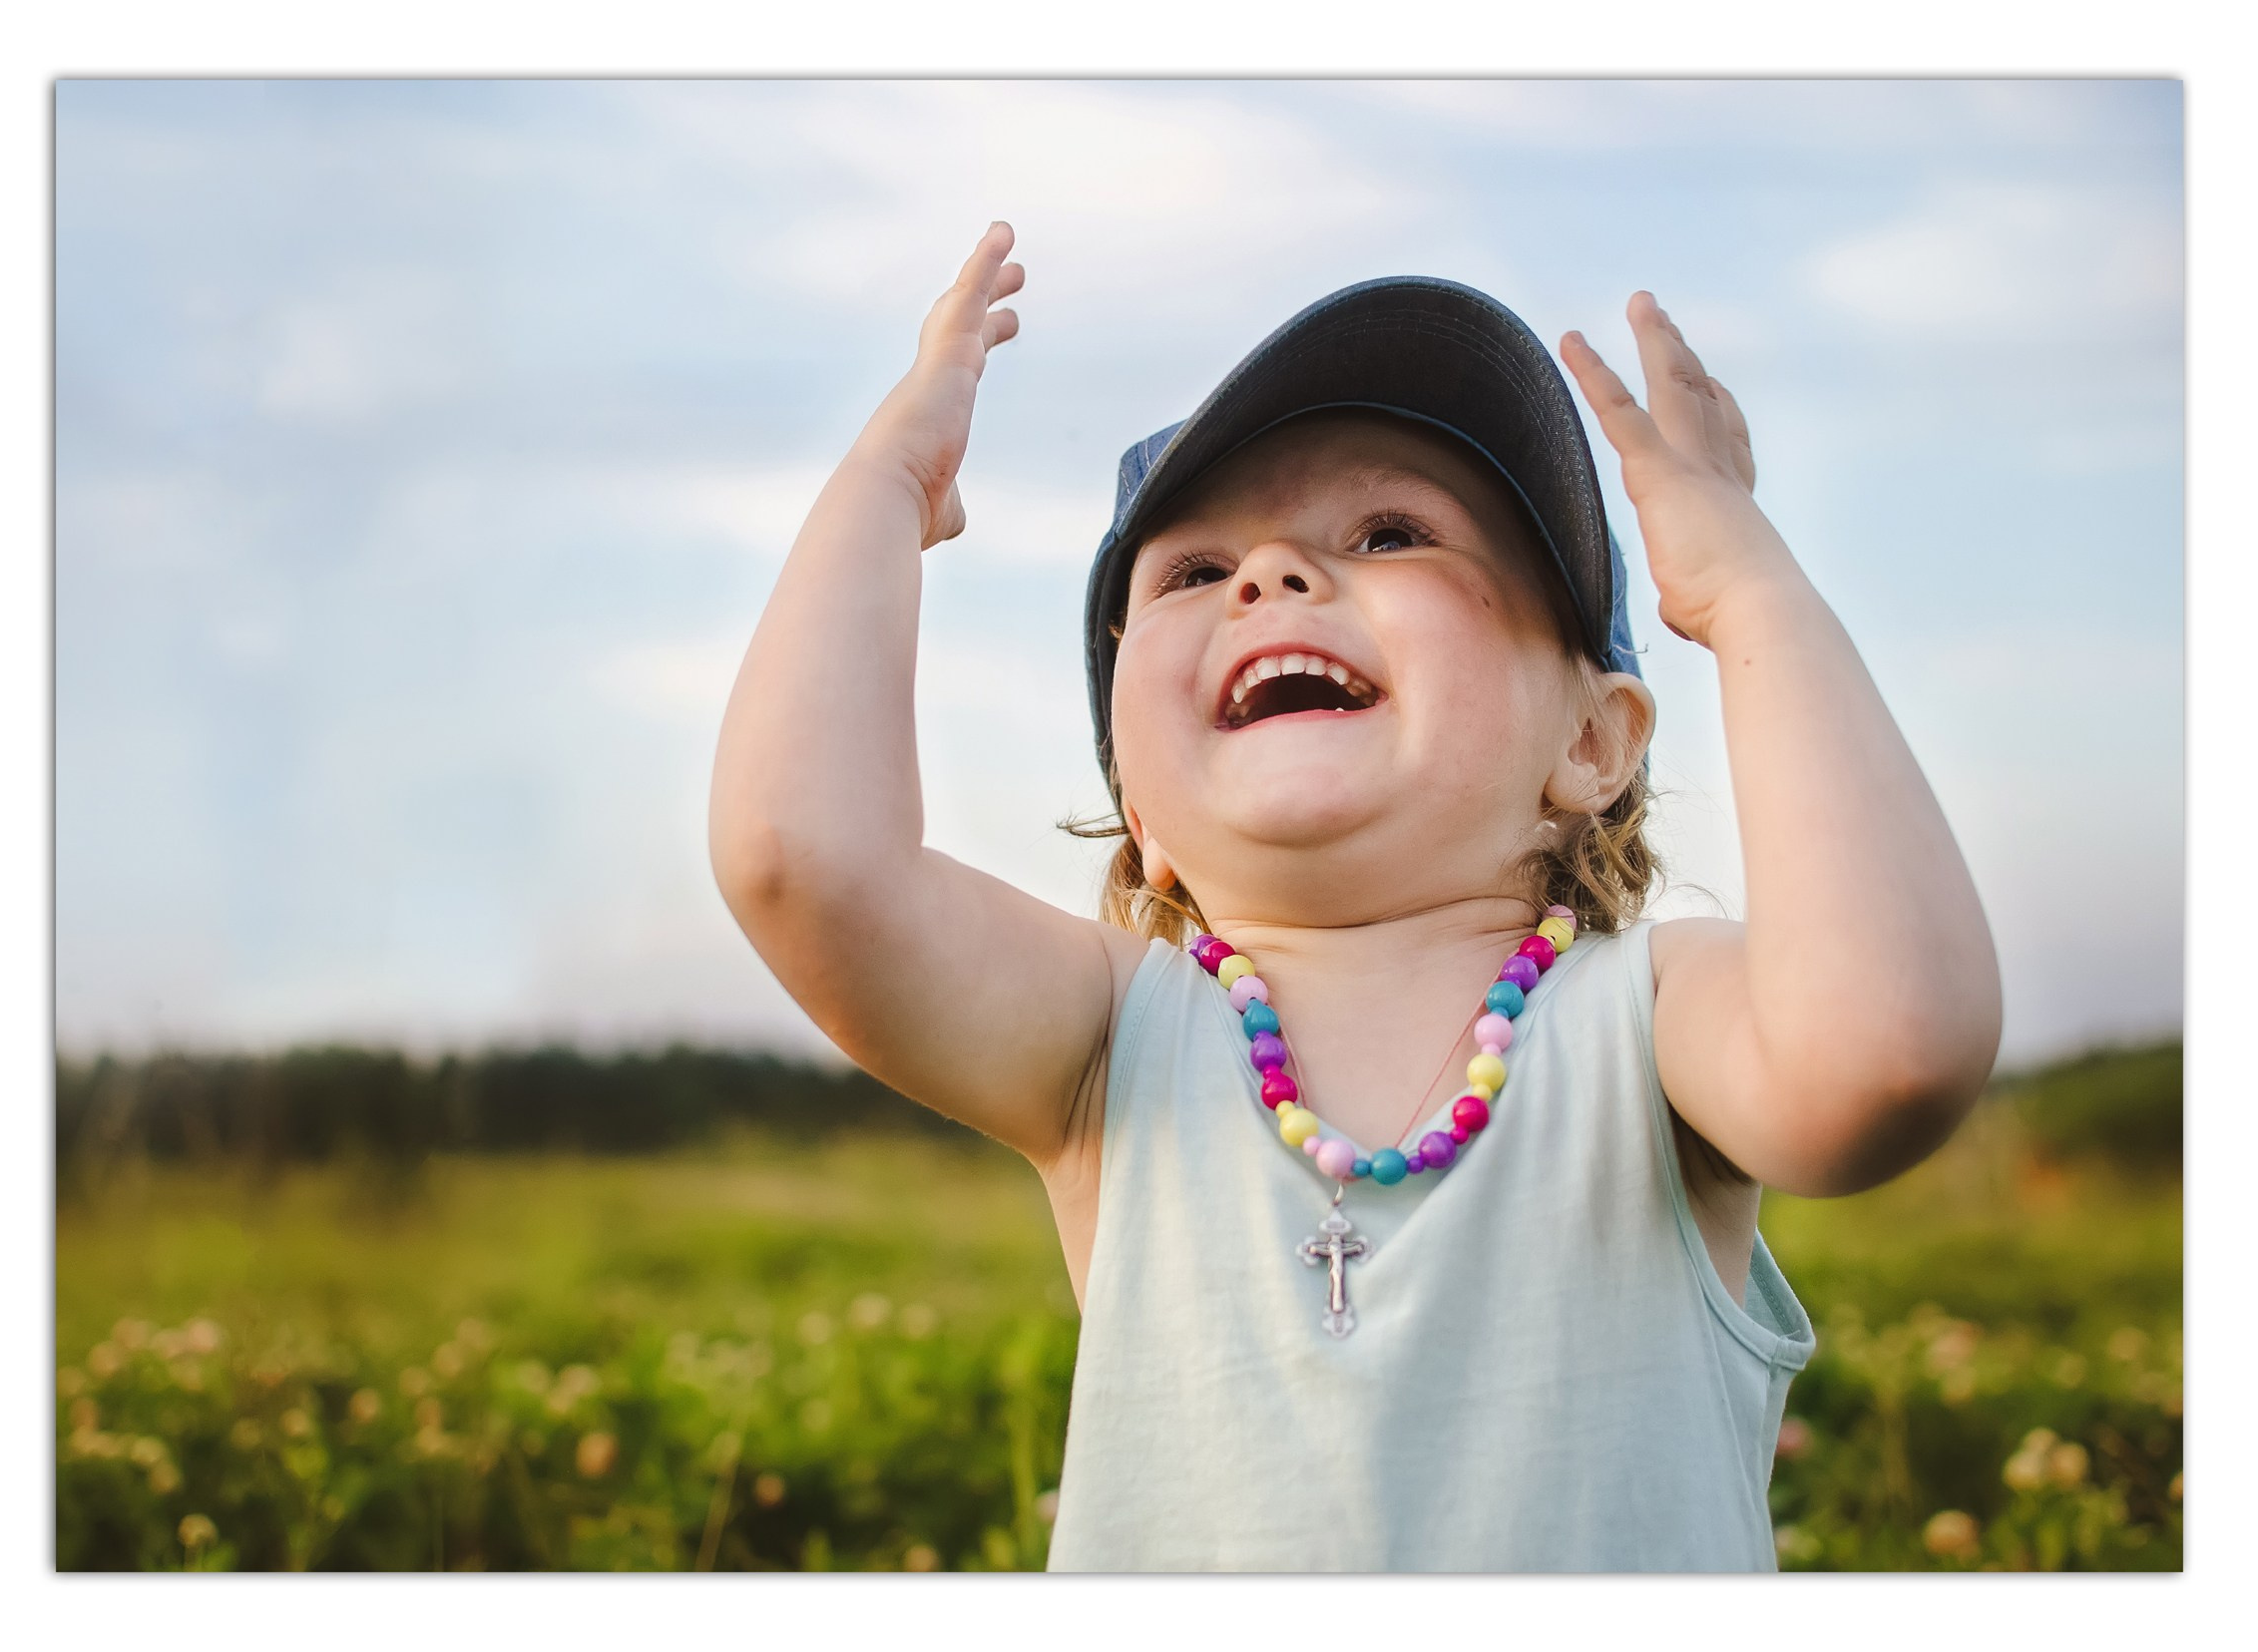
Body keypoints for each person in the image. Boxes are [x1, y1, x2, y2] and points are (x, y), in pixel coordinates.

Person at [707, 223, 2003, 1571]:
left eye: (1390, 533)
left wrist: (1750, 595)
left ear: (1591, 743)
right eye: (1193, 573)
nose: (1269, 576)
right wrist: (884, 486)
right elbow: (804, 860)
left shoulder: (1655, 1018)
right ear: (1142, 815)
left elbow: (1889, 1047)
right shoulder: (1103, 1041)